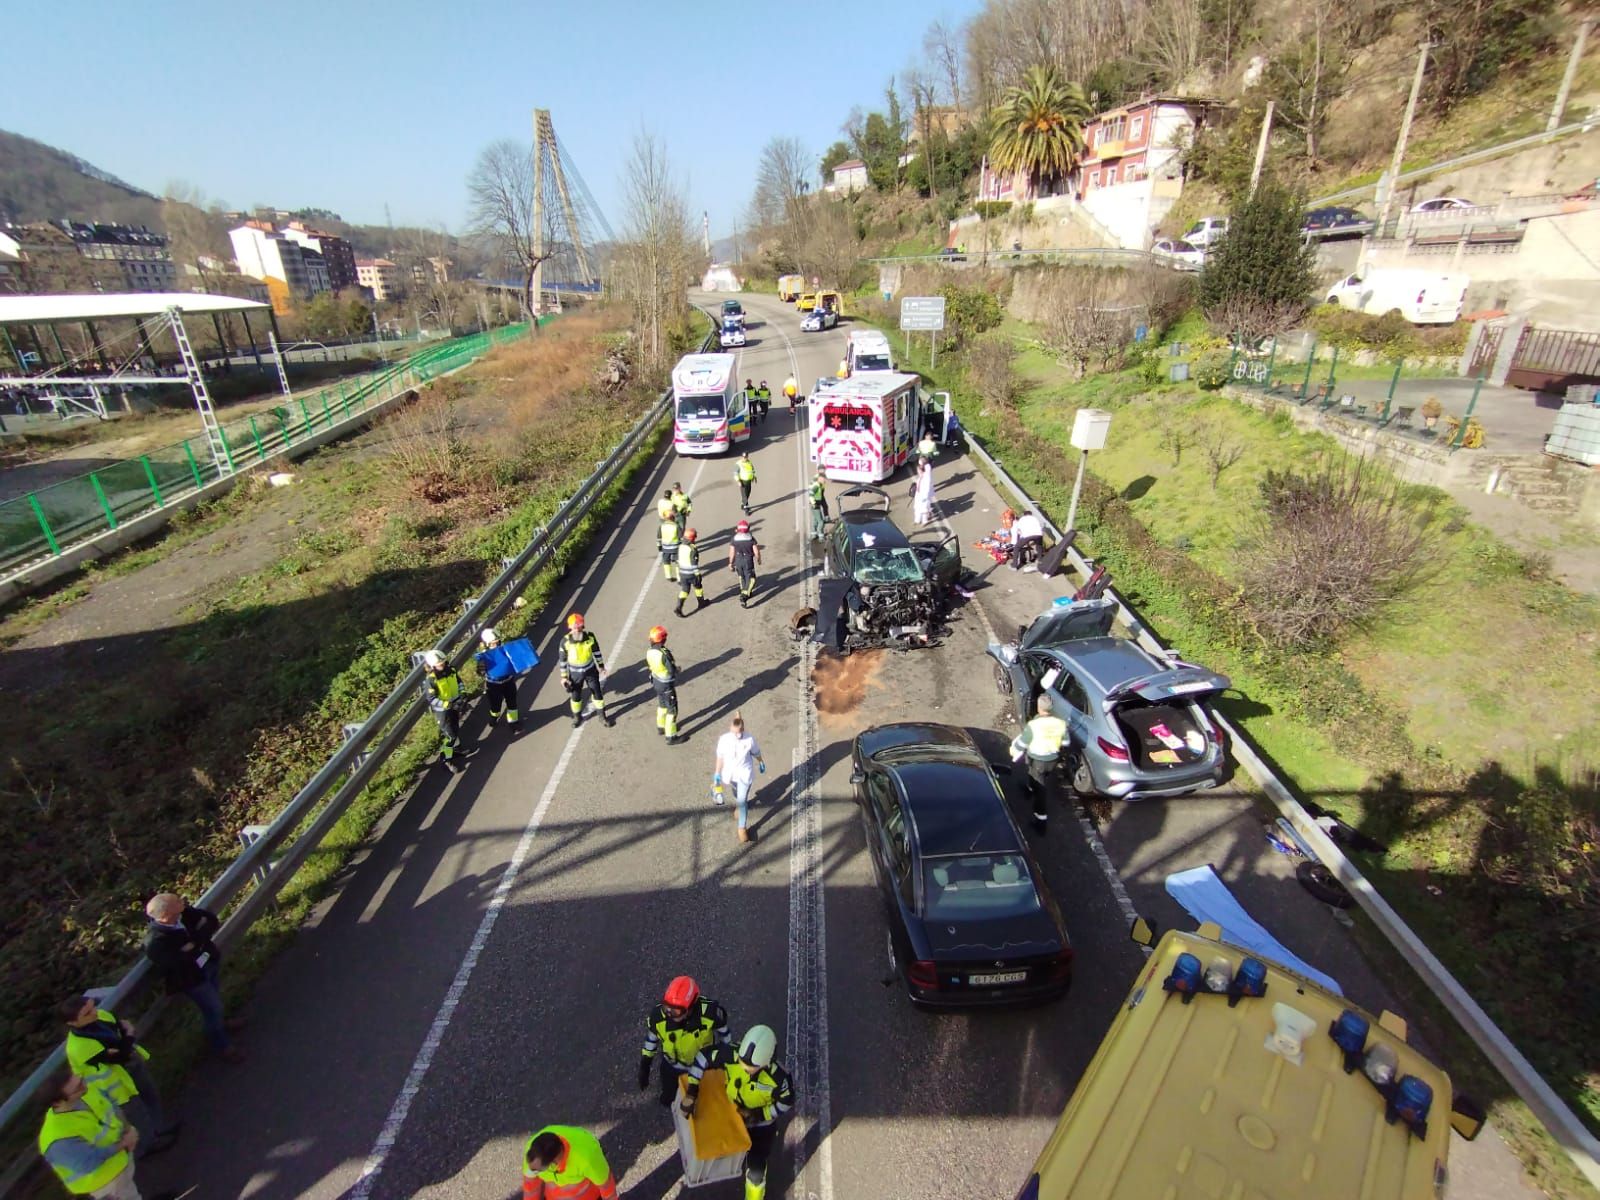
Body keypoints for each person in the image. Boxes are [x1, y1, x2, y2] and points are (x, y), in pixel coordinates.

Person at [681, 1025, 794, 1200]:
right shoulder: (733, 1054)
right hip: (732, 1113)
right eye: (741, 1064)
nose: (743, 1068)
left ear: (766, 1062)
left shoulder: (779, 1079)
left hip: (761, 1127)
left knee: (756, 1171)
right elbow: (703, 1058)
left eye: (750, 1068)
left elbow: (786, 1102)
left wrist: (759, 1115)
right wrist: (692, 1091)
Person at [61, 998, 175, 1157]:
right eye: (87, 1013)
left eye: (92, 1008)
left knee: (150, 1095)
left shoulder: (101, 1016)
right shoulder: (79, 1047)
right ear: (72, 1023)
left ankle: (158, 1128)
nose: (94, 1013)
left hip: (130, 1067)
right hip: (115, 1084)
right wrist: (128, 1035)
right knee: (136, 1112)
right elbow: (120, 1053)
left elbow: (120, 1033)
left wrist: (125, 1039)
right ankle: (147, 1145)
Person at [142, 894, 243, 1064]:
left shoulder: (184, 913)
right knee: (213, 1008)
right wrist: (199, 941)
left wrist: (195, 943)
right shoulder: (156, 942)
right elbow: (179, 963)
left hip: (208, 963)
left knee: (216, 999)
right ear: (166, 914)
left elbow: (211, 920)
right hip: (193, 979)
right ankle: (223, 1046)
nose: (183, 902)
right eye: (177, 902)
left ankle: (222, 1024)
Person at [38, 1070, 146, 1199]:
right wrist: (124, 1143)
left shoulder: (86, 1093)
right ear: (58, 1103)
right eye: (77, 1087)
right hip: (105, 1184)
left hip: (120, 1162)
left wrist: (128, 1130)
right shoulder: (57, 1139)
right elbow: (89, 1162)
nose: (84, 1085)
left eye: (80, 1080)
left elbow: (111, 1107)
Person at [638, 975, 729, 1108]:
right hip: (671, 1068)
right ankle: (670, 1104)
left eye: (676, 1011)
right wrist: (645, 1066)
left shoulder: (710, 1014)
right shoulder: (657, 1018)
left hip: (702, 1068)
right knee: (669, 1096)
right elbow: (651, 1041)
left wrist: (724, 1060)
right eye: (666, 1007)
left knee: (704, 1101)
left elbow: (725, 1035)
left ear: (691, 1007)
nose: (669, 1013)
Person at [1011, 696, 1068, 833]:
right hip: (1052, 760)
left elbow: (1021, 744)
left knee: (1040, 790)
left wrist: (1014, 751)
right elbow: (1065, 743)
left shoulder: (1033, 726)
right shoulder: (1061, 724)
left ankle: (1041, 822)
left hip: (1038, 760)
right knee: (1036, 777)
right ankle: (1030, 789)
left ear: (1039, 707)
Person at [521, 1125, 617, 1200]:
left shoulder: (587, 1158)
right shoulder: (533, 1152)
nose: (531, 1171)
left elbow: (606, 1185)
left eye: (538, 1171)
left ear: (553, 1164)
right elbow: (531, 1187)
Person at [713, 713, 765, 845]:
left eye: (739, 732)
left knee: (742, 800)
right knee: (736, 795)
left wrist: (760, 761)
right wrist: (717, 773)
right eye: (735, 732)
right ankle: (739, 806)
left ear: (743, 730)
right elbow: (720, 758)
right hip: (731, 775)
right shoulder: (724, 740)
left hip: (744, 775)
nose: (737, 735)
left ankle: (742, 827)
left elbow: (756, 752)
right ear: (731, 728)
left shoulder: (749, 739)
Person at [558, 612, 611, 728]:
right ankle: (577, 717)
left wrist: (601, 666)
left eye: (579, 627)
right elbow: (562, 661)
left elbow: (596, 652)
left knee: (597, 693)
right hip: (575, 674)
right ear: (570, 627)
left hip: (591, 671)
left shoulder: (590, 637)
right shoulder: (565, 642)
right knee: (575, 696)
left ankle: (602, 717)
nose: (577, 630)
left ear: (583, 626)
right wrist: (564, 677)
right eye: (574, 628)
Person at [422, 649, 466, 770]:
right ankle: (447, 759)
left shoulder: (451, 670)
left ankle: (456, 750)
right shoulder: (431, 680)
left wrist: (463, 694)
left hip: (455, 705)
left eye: (443, 662)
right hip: (443, 712)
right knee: (450, 735)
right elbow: (432, 699)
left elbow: (459, 682)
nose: (442, 665)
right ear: (432, 665)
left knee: (455, 729)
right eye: (439, 664)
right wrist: (448, 705)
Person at [474, 628, 522, 734]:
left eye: (497, 642)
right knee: (495, 705)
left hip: (508, 681)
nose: (495, 645)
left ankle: (513, 722)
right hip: (493, 684)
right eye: (492, 644)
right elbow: (480, 671)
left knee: (512, 702)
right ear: (487, 644)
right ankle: (494, 716)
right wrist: (481, 668)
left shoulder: (504, 649)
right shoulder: (483, 656)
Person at [646, 626, 683, 744]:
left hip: (656, 682)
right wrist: (677, 669)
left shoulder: (649, 651)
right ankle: (671, 736)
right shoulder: (664, 653)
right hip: (666, 685)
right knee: (672, 710)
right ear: (663, 640)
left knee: (662, 705)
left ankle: (661, 726)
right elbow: (671, 669)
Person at [728, 519, 762, 608]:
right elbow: (756, 552)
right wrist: (759, 560)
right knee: (751, 579)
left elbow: (732, 553)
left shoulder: (734, 539)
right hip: (748, 561)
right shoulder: (751, 539)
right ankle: (744, 596)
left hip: (738, 560)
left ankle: (745, 592)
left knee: (741, 577)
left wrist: (731, 563)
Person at [675, 527, 705, 617]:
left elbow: (677, 561)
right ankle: (701, 602)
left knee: (685, 590)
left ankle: (678, 607)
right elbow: (694, 563)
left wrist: (678, 576)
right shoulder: (692, 548)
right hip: (691, 573)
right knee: (698, 586)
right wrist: (697, 574)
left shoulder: (680, 546)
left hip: (682, 573)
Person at [658, 511, 681, 582]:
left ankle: (668, 576)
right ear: (673, 518)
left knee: (666, 561)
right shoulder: (676, 526)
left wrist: (659, 546)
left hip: (665, 547)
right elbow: (680, 536)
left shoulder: (661, 526)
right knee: (678, 562)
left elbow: (659, 537)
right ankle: (679, 578)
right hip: (675, 547)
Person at [912, 458, 935, 526]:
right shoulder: (921, 477)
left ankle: (925, 521)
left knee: (924, 508)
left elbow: (927, 488)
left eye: (919, 471)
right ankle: (917, 520)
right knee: (917, 507)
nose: (918, 472)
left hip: (925, 496)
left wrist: (925, 497)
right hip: (919, 495)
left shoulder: (926, 477)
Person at [807, 471, 829, 540]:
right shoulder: (816, 485)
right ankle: (821, 536)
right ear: (819, 478)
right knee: (821, 521)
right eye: (823, 479)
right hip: (815, 505)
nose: (824, 480)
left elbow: (821, 495)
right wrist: (814, 504)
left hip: (815, 505)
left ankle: (814, 534)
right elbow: (810, 494)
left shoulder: (820, 485)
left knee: (816, 520)